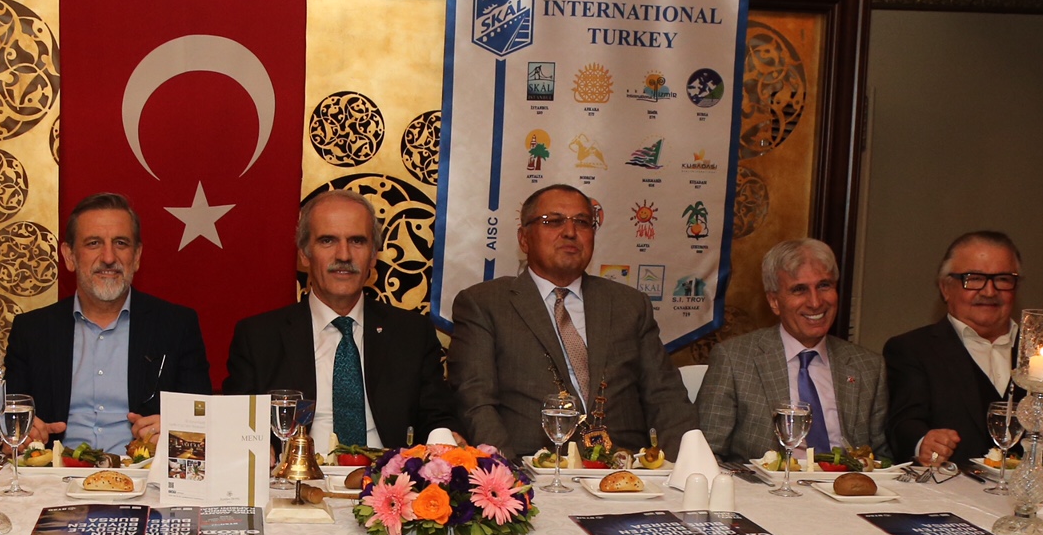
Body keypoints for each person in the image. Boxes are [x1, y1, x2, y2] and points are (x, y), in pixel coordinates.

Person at [447, 183, 695, 454]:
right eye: (553, 221)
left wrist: (686, 466)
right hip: (531, 467)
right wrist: (506, 471)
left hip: (625, 468)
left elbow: (666, 398)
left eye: (582, 222)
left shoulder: (629, 304)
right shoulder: (485, 304)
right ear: (524, 238)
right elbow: (476, 403)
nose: (570, 232)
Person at [221, 190, 457, 448]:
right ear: (304, 254)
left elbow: (438, 419)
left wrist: (447, 440)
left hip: (387, 471)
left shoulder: (412, 334)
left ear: (373, 256)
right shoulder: (258, 338)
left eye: (357, 241)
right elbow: (236, 425)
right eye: (328, 241)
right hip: (296, 472)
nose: (344, 255)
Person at [4, 193, 211, 454]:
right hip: (57, 474)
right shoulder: (32, 331)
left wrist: (176, 433)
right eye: (94, 243)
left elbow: (203, 422)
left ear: (137, 256)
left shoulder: (176, 326)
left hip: (144, 474)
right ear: (69, 256)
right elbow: (5, 425)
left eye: (121, 243)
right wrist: (18, 434)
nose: (109, 257)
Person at [693, 237, 892, 464]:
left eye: (824, 286)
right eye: (799, 290)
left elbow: (882, 459)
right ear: (774, 302)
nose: (815, 302)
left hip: (845, 484)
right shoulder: (734, 360)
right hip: (767, 485)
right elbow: (706, 454)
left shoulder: (868, 366)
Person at [883, 230, 1022, 468]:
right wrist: (923, 443)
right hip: (950, 485)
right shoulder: (912, 349)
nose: (989, 291)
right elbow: (903, 423)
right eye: (974, 278)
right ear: (946, 288)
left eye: (1002, 279)